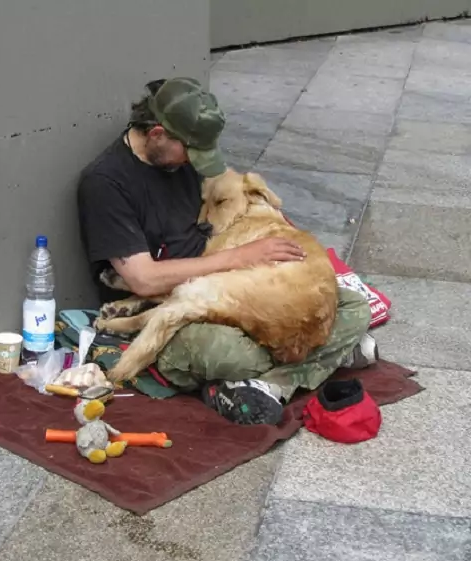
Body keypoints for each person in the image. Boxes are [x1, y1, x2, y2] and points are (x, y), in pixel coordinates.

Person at [76, 77, 377, 425]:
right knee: (227, 352)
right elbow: (143, 279)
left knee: (353, 304)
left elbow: (233, 202)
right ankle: (306, 365)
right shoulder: (106, 183)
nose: (195, 162)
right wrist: (242, 256)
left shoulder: (181, 159)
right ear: (158, 134)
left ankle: (272, 383)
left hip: (232, 286)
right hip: (173, 305)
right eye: (190, 151)